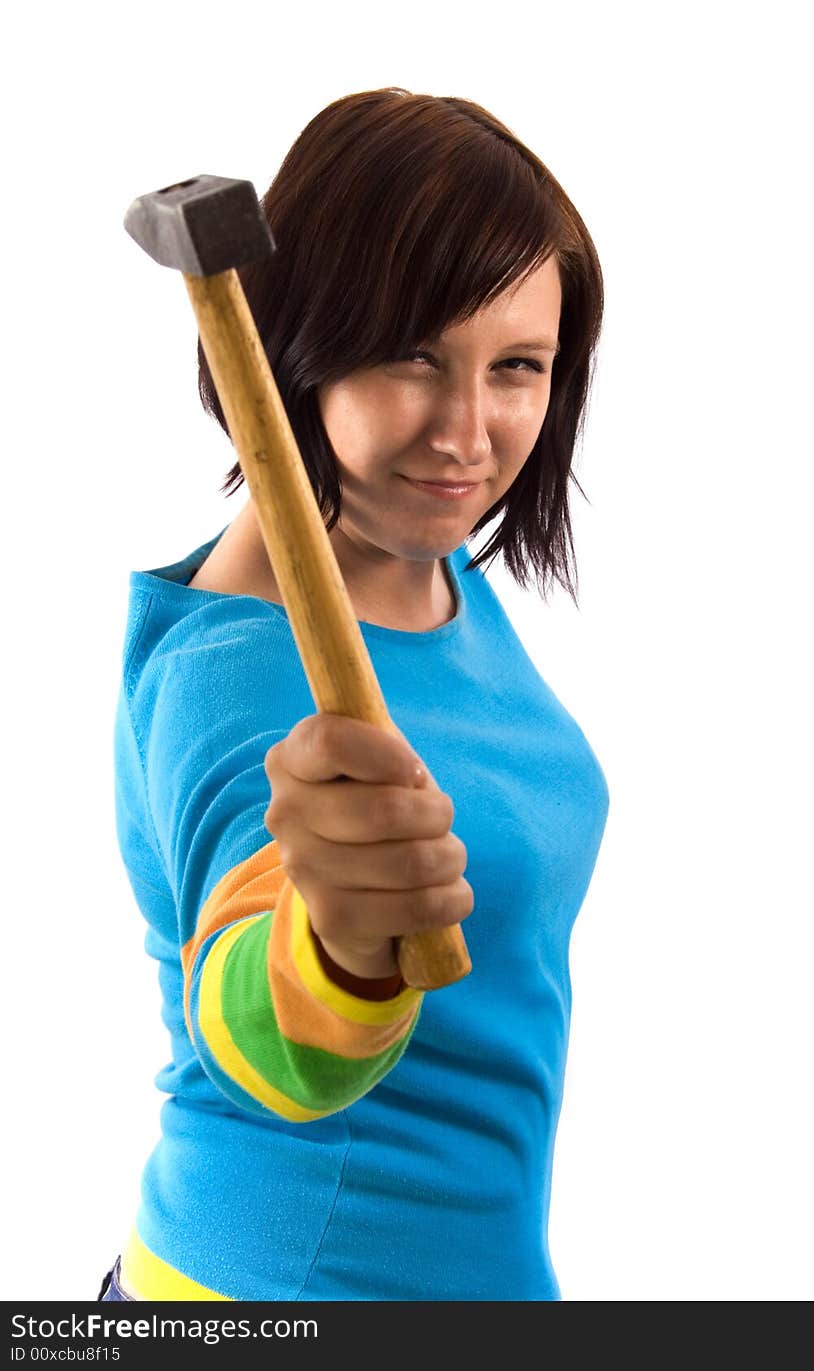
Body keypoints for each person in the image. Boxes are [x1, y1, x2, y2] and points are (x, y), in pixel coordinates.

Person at [104, 86, 610, 1302]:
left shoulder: (413, 564)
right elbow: (258, 1020)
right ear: (298, 342)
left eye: (518, 367)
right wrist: (336, 952)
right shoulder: (245, 683)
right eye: (413, 355)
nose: (467, 432)